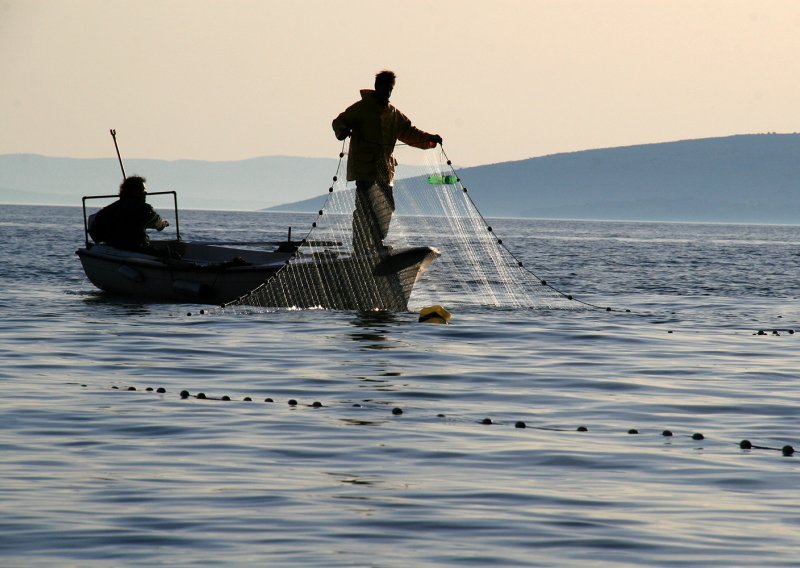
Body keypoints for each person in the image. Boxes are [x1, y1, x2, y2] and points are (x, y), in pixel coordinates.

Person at [332, 70, 442, 256]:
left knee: (386, 206)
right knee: (365, 208)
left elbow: (410, 133)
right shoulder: (362, 108)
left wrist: (430, 139)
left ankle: (377, 243)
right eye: (385, 88)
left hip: (385, 170)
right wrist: (342, 130)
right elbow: (339, 121)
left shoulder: (394, 114)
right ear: (377, 87)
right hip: (365, 167)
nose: (387, 93)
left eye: (390, 89)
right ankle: (360, 248)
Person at [89, 175, 170, 254]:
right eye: (143, 191)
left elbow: (94, 230)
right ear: (135, 192)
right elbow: (158, 223)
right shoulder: (145, 209)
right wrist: (164, 223)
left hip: (111, 248)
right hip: (138, 249)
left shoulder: (107, 210)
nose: (145, 194)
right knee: (170, 255)